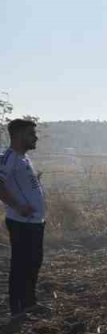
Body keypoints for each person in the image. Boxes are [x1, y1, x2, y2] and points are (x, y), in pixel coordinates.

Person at [0, 119, 48, 316]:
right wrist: (18, 207)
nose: (36, 138)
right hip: (21, 223)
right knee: (21, 264)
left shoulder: (23, 158)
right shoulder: (9, 157)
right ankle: (17, 309)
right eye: (31, 134)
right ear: (19, 135)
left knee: (34, 262)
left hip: (35, 221)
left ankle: (29, 303)